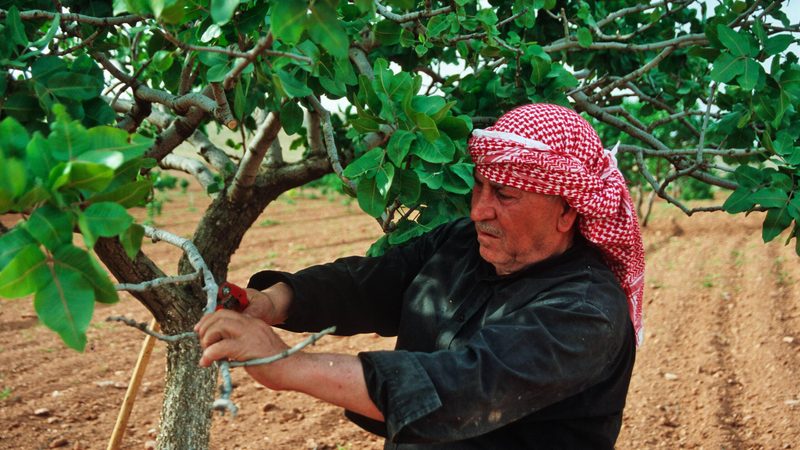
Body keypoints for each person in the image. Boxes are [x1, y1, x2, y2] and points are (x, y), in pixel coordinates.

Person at [196, 103, 645, 449]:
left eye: (504, 195)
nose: (478, 210)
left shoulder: (585, 310)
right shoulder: (462, 243)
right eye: (479, 187)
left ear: (566, 209)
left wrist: (285, 364)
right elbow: (371, 281)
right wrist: (275, 303)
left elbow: (464, 387)